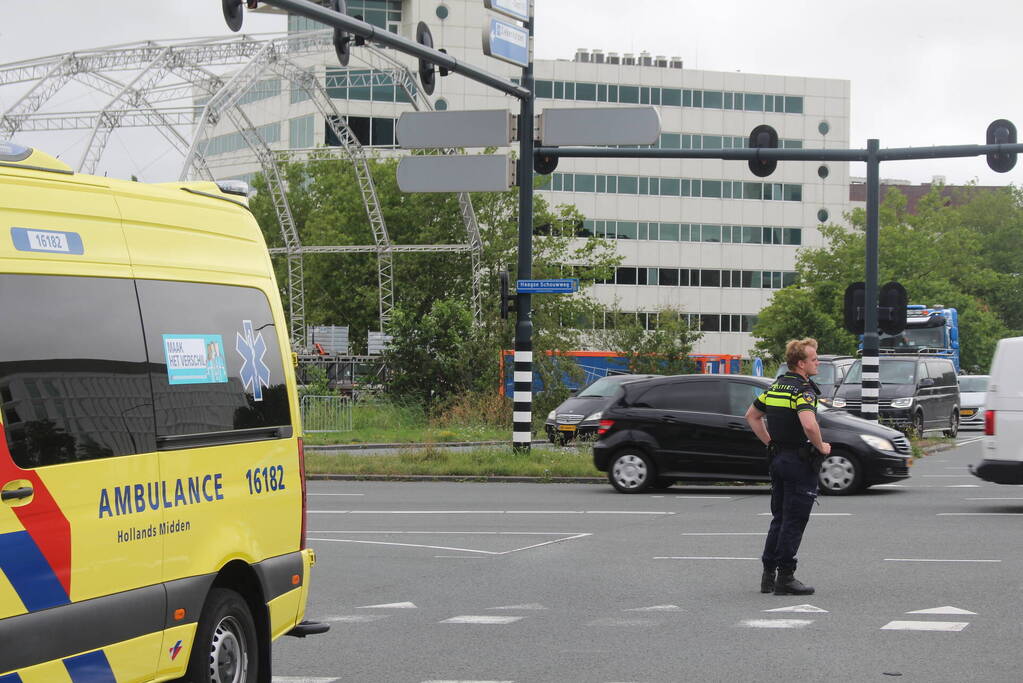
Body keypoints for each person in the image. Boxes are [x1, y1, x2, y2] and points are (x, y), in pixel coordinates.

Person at [745, 338, 831, 596]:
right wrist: (821, 446)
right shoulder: (802, 391)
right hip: (798, 462)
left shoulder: (777, 387)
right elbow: (808, 424)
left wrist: (770, 442)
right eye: (814, 359)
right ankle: (786, 577)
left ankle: (768, 575)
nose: (818, 363)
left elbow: (751, 415)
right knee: (794, 520)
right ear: (801, 364)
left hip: (779, 459)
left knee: (779, 518)